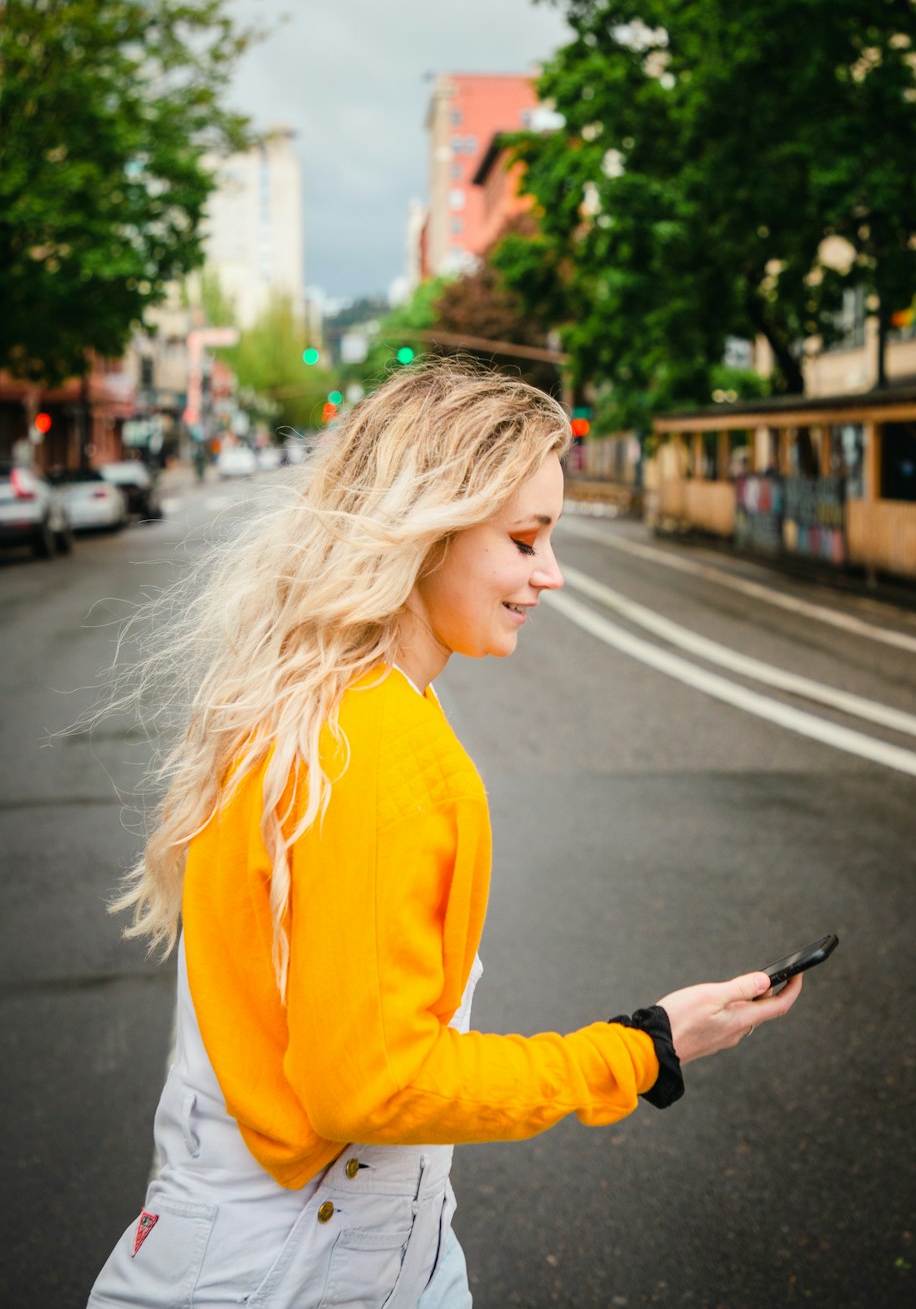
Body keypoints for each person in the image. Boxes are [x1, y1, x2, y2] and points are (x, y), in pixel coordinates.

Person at [88, 361, 802, 1309]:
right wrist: (643, 1048)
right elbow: (370, 1091)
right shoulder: (386, 755)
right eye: (523, 539)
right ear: (425, 532)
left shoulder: (301, 702)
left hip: (287, 1240)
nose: (549, 574)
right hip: (303, 1267)